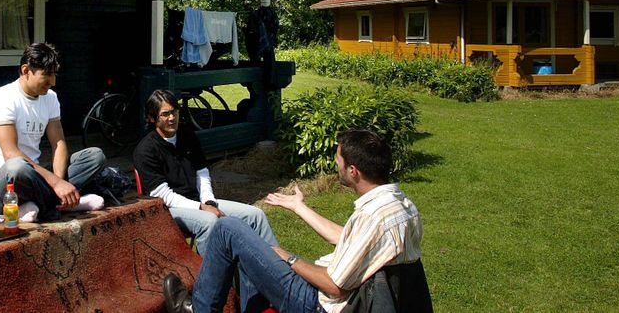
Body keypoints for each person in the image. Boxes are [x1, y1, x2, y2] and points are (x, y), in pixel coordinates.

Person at [163, 129, 424, 313]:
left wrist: (288, 258)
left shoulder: (373, 217)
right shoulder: (399, 206)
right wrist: (300, 207)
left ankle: (199, 309)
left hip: (317, 304)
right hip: (343, 296)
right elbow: (345, 237)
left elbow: (334, 286)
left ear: (353, 171)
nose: (336, 165)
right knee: (251, 250)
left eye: (339, 160)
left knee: (228, 228)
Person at [133, 89, 277, 256]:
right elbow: (163, 195)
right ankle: (212, 279)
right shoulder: (145, 150)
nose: (172, 118)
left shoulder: (187, 136)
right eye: (165, 114)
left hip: (199, 202)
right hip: (167, 211)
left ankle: (279, 269)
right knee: (209, 221)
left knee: (255, 215)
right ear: (152, 118)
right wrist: (201, 207)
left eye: (174, 111)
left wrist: (208, 200)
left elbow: (202, 171)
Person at [0, 42, 106, 222]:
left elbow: (58, 143)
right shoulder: (3, 98)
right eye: (46, 74)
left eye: (54, 74)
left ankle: (48, 202)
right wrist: (56, 184)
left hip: (36, 178)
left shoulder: (51, 98)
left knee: (95, 156)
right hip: (4, 187)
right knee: (17, 167)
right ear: (25, 71)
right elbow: (11, 154)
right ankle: (57, 203)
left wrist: (60, 181)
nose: (53, 82)